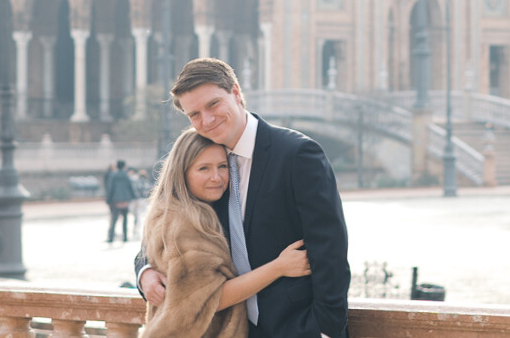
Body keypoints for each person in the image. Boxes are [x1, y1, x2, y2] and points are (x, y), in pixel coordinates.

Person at [137, 58, 351, 338]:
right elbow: (164, 229)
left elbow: (330, 249)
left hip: (297, 327)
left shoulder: (297, 154)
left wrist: (325, 330)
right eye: (195, 114)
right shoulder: (207, 165)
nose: (207, 120)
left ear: (236, 92)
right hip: (236, 330)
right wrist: (144, 272)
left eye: (213, 104)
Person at [141, 128, 311, 338]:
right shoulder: (182, 223)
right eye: (204, 168)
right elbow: (210, 298)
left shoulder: (190, 210)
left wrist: (144, 271)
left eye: (222, 166)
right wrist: (279, 267)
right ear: (181, 173)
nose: (216, 177)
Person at [105, 159, 137, 243]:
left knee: (114, 219)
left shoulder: (113, 175)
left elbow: (110, 188)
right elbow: (130, 187)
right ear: (124, 166)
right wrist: (134, 197)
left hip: (116, 200)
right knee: (125, 219)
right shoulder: (126, 176)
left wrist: (108, 200)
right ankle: (125, 236)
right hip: (125, 201)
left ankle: (111, 237)